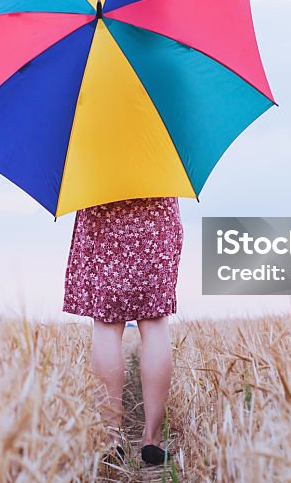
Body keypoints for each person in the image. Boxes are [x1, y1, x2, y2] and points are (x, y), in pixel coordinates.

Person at [62, 196, 184, 467]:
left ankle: (110, 439)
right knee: (154, 324)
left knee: (106, 325)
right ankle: (152, 440)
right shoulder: (163, 153)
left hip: (102, 211)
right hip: (156, 215)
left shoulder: (89, 151)